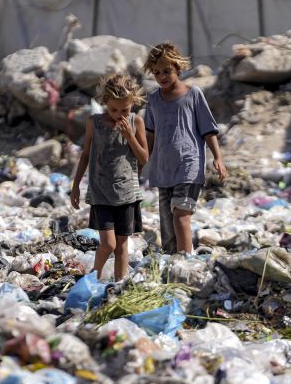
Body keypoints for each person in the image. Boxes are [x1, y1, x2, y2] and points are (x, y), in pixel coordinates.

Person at [143, 42, 227, 254]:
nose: (162, 76)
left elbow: (208, 130)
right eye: (156, 73)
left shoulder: (193, 94)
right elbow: (150, 135)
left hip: (189, 165)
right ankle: (174, 266)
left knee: (181, 215)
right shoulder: (153, 100)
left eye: (166, 71)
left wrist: (218, 157)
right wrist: (141, 161)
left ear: (178, 69)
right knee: (168, 226)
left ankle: (186, 262)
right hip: (163, 170)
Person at [70, 73, 148, 280]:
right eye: (114, 109)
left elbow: (144, 158)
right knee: (108, 244)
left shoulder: (136, 122)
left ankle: (119, 286)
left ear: (133, 104)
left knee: (122, 246)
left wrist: (130, 136)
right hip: (101, 192)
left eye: (125, 109)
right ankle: (93, 278)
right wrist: (76, 185)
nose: (119, 114)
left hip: (127, 194)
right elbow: (86, 154)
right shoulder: (94, 122)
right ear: (105, 102)